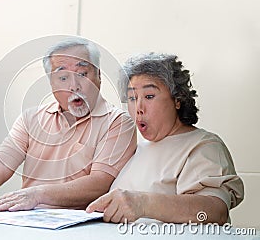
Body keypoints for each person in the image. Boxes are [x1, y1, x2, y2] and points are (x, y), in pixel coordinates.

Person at [0, 36, 137, 211]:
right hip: (27, 221)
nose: (74, 85)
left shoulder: (118, 122)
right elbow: (1, 164)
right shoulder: (31, 118)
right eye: (62, 77)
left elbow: (100, 182)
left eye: (82, 73)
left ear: (98, 76)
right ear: (50, 83)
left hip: (79, 227)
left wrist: (37, 194)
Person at [86, 52, 244, 224]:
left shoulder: (204, 146)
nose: (138, 108)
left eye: (149, 96)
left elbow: (213, 213)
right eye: (132, 98)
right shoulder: (137, 150)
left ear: (177, 99)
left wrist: (143, 203)